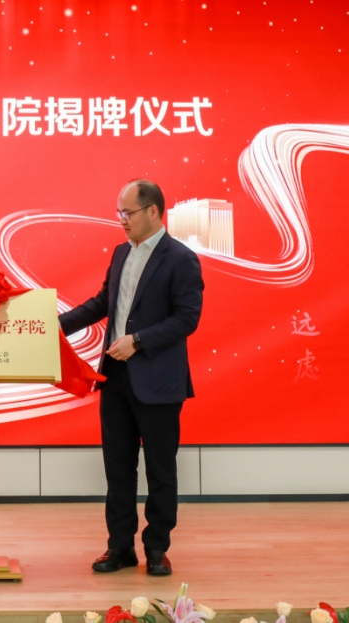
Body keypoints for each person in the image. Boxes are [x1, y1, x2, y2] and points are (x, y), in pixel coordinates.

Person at [59, 179, 204, 576]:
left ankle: (156, 548)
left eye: (128, 213)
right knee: (118, 468)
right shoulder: (121, 252)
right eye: (119, 213)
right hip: (116, 377)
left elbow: (187, 318)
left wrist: (138, 341)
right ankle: (119, 547)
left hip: (158, 381)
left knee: (160, 469)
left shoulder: (181, 258)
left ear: (153, 211)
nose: (121, 220)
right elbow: (102, 303)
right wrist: (52, 326)